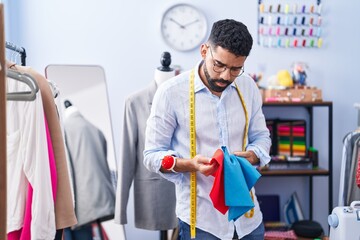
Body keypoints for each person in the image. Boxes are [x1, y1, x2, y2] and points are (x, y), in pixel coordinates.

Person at [143, 19, 271, 240]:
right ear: (204, 50)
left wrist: (252, 155)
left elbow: (261, 137)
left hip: (248, 221)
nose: (225, 76)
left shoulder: (248, 86)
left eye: (235, 69)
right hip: (201, 223)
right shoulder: (170, 93)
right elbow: (152, 155)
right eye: (219, 65)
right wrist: (188, 164)